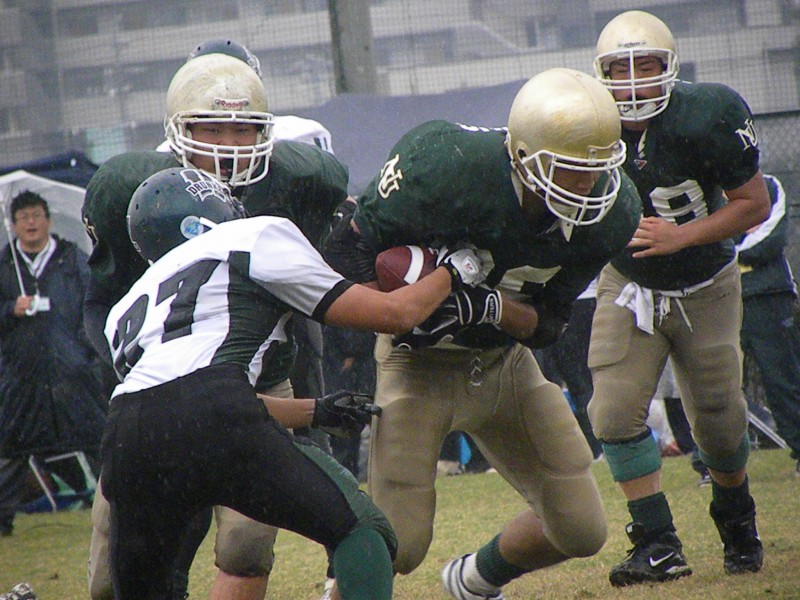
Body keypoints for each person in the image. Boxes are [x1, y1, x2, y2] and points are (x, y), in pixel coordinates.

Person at [322, 67, 642, 600]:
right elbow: (346, 252)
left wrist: (487, 306)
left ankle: (475, 579)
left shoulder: (614, 211)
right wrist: (408, 309)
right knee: (398, 544)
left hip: (504, 365)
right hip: (418, 363)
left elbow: (550, 325)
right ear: (523, 155)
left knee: (581, 529)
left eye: (597, 167)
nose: (587, 185)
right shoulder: (444, 165)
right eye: (569, 168)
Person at [101, 166, 484, 600]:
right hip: (214, 406)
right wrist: (454, 271)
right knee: (359, 529)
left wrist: (314, 411)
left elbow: (172, 401)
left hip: (126, 434)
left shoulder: (125, 307)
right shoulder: (253, 235)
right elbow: (394, 314)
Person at [82, 51, 350, 600]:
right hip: (158, 391)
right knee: (113, 580)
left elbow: (312, 306)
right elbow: (98, 304)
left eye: (243, 128)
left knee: (246, 547)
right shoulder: (130, 190)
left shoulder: (300, 179)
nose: (229, 144)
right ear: (178, 130)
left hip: (255, 383)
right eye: (212, 128)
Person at [587, 9, 771, 587]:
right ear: (600, 74)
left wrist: (681, 236)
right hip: (629, 283)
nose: (633, 82)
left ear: (669, 67)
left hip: (706, 282)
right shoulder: (584, 121)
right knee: (612, 412)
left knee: (718, 421)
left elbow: (754, 203)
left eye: (646, 66)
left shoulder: (708, 113)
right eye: (621, 69)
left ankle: (736, 518)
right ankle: (657, 544)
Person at [0, 192, 106, 536]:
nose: (30, 223)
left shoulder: (72, 260)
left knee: (98, 442)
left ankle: (120, 508)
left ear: (48, 220)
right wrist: (9, 310)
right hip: (21, 377)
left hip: (73, 375)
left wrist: (83, 353)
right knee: (12, 449)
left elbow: (94, 305)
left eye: (36, 215)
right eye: (23, 217)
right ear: (13, 225)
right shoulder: (5, 266)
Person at [736, 173, 800, 474]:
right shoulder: (704, 190)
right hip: (720, 300)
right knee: (714, 386)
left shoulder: (769, 185)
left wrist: (719, 243)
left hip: (769, 297)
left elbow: (770, 242)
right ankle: (712, 463)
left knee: (782, 379)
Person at [533, 277, 603, 459]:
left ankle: (596, 446)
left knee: (577, 384)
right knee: (565, 384)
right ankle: (591, 447)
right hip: (558, 302)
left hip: (569, 300)